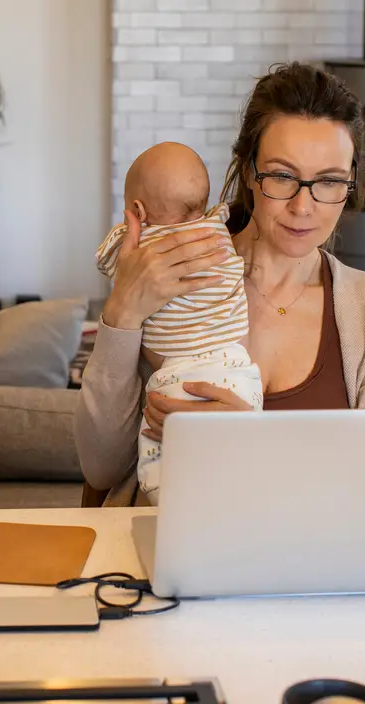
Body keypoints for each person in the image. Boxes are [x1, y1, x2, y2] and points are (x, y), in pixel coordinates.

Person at [75, 62, 365, 506]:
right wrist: (121, 312)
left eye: (330, 181)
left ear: (350, 184)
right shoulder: (172, 278)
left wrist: (252, 446)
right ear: (248, 171)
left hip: (310, 563)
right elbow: (100, 468)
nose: (303, 206)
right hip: (164, 552)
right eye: (282, 175)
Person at [95, 142, 262, 503]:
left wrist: (124, 259)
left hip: (177, 379)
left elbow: (109, 264)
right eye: (282, 175)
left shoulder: (138, 254)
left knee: (160, 463)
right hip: (237, 371)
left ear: (136, 210)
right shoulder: (217, 231)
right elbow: (101, 468)